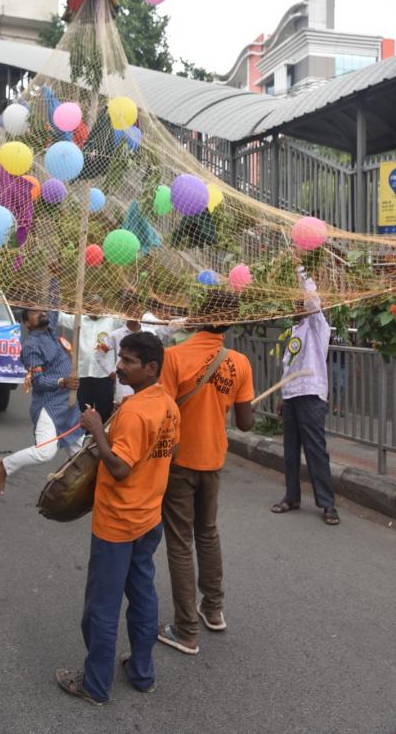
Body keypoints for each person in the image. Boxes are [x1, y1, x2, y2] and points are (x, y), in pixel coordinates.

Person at [56, 332, 180, 706]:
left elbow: (120, 468)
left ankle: (95, 685)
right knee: (143, 596)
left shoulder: (135, 411)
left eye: (128, 361)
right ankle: (142, 674)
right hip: (148, 517)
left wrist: (97, 430)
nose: (120, 366)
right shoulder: (168, 405)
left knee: (102, 607)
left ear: (151, 368)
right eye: (120, 358)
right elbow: (169, 451)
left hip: (117, 523)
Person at [158, 294, 254, 655]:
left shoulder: (173, 357)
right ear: (230, 323)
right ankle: (213, 610)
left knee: (181, 542)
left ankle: (185, 630)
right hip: (213, 460)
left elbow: (163, 414)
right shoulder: (239, 363)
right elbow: (246, 424)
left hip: (179, 462)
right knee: (207, 533)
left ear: (198, 318)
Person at [271, 266, 340, 525]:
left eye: (300, 301)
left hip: (312, 396)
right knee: (290, 451)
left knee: (315, 451)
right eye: (295, 302)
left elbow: (312, 297)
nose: (298, 305)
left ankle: (328, 505)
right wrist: (283, 396)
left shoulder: (317, 326)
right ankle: (292, 496)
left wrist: (299, 265)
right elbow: (289, 368)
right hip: (292, 397)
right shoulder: (295, 332)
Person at [0, 304, 82, 494]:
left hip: (69, 404)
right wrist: (62, 382)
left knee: (80, 454)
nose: (41, 313)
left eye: (42, 310)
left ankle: (90, 490)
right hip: (49, 406)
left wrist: (55, 275)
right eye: (33, 312)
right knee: (45, 452)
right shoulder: (31, 346)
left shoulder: (51, 330)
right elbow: (37, 380)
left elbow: (53, 300)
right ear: (27, 323)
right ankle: (5, 465)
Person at [59, 295, 117, 422]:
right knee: (83, 411)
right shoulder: (79, 320)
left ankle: (101, 439)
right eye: (91, 304)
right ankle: (84, 438)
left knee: (105, 411)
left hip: (104, 375)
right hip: (83, 374)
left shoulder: (112, 321)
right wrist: (53, 298)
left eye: (98, 304)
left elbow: (129, 321)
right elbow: (60, 318)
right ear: (86, 307)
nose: (95, 307)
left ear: (103, 306)